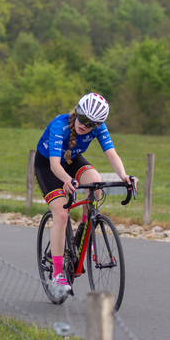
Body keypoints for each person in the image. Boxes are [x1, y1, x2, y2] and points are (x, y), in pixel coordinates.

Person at [35, 92, 136, 295]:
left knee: (96, 184)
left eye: (91, 124)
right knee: (62, 214)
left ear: (98, 124)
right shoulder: (60, 125)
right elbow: (55, 164)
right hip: (49, 166)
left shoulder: (99, 129)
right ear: (77, 112)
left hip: (72, 160)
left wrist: (124, 176)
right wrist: (66, 181)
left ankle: (83, 229)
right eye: (83, 119)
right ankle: (57, 274)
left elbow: (111, 154)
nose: (85, 125)